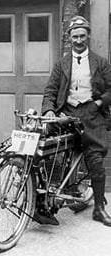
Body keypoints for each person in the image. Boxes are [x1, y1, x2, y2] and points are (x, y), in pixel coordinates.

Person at [41, 16, 111, 226]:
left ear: (88, 36)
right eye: (74, 37)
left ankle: (99, 208)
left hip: (92, 114)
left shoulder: (101, 62)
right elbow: (50, 91)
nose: (78, 41)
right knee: (49, 150)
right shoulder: (61, 64)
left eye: (82, 36)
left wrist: (99, 104)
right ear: (69, 38)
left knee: (96, 161)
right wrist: (50, 111)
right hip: (67, 113)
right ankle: (48, 201)